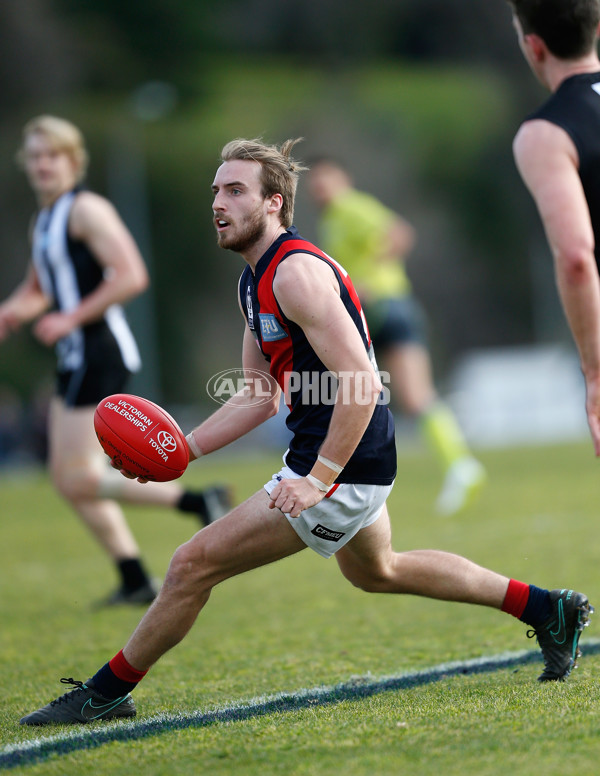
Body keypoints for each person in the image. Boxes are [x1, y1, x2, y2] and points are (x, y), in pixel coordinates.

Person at [19, 137, 593, 726]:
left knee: (193, 563)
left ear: (273, 204)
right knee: (379, 570)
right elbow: (259, 395)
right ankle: (549, 608)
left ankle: (105, 691)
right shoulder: (254, 280)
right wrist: (182, 450)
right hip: (342, 456)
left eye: (235, 190)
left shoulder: (294, 274)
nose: (219, 201)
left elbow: (363, 384)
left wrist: (318, 479)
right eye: (216, 190)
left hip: (340, 462)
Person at [0, 115, 232, 607]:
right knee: (69, 480)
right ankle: (133, 577)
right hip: (73, 357)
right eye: (36, 156)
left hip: (100, 352)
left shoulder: (88, 210)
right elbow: (40, 289)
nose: (42, 165)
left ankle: (196, 501)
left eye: (53, 155)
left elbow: (131, 275)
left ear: (74, 160)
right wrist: (10, 312)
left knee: (79, 476)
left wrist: (72, 318)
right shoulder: (44, 220)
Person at [306, 158, 486, 516]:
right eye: (313, 181)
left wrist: (367, 279)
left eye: (325, 176)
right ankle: (457, 464)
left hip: (386, 307)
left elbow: (399, 234)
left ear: (343, 176)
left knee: (372, 392)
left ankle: (460, 465)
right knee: (390, 395)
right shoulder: (331, 219)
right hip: (380, 312)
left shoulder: (351, 206)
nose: (319, 186)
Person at [507, 0, 600, 456]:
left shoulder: (546, 133)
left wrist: (595, 372)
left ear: (534, 46)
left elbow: (577, 257)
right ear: (597, 28)